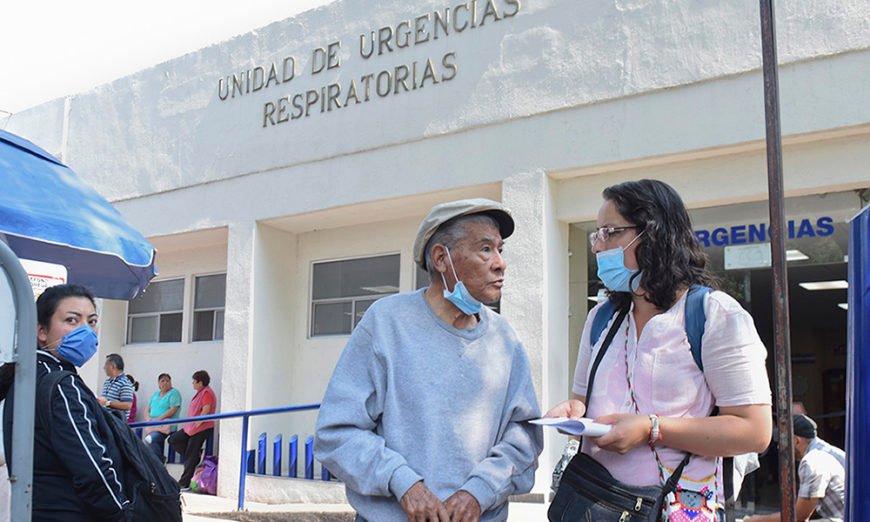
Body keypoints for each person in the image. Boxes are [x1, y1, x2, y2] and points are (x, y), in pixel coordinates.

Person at [545, 179, 772, 520]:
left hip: (673, 507)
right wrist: (572, 411)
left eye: (610, 232)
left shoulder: (714, 315)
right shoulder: (601, 317)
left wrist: (650, 429)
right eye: (597, 234)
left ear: (652, 235)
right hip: (593, 500)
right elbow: (582, 399)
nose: (597, 247)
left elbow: (754, 431)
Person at [315, 198, 543, 522]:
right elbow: (336, 433)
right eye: (485, 249)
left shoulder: (505, 339)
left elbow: (523, 437)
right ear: (441, 258)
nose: (500, 263)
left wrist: (479, 491)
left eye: (500, 250)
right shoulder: (386, 323)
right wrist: (403, 482)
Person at [2, 284, 129, 520]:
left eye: (91, 321)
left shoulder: (26, 375)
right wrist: (122, 513)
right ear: (41, 331)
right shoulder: (61, 385)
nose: (86, 331)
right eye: (72, 320)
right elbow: (93, 468)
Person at [745, 414, 845, 522]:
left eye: (782, 443)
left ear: (796, 441)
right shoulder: (829, 451)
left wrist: (758, 520)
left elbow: (798, 516)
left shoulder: (812, 461)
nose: (780, 448)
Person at [169, 370, 216, 490]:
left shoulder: (207, 393)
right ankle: (195, 457)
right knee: (173, 440)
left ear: (200, 382)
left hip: (201, 428)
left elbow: (206, 409)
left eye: (194, 381)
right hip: (190, 428)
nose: (193, 383)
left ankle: (184, 483)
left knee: (191, 455)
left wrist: (197, 424)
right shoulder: (200, 393)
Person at [143, 373, 182, 461]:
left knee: (150, 440)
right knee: (149, 441)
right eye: (162, 381)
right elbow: (146, 409)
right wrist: (148, 419)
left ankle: (159, 461)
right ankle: (158, 461)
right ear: (159, 384)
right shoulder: (156, 394)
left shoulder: (174, 393)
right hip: (153, 425)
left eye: (167, 381)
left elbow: (173, 409)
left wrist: (158, 419)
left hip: (165, 426)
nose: (165, 383)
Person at [98, 353, 134, 421]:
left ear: (112, 366)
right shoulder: (107, 382)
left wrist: (107, 403)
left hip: (117, 423)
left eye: (106, 365)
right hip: (106, 420)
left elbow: (128, 405)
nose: (104, 367)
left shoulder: (124, 383)